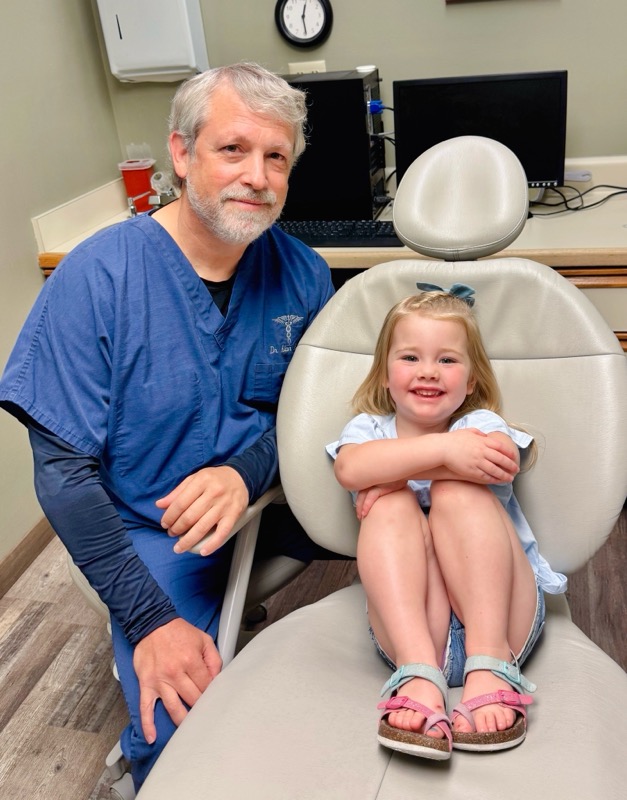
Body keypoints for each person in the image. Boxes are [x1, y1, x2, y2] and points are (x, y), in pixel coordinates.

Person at [0, 62, 339, 789]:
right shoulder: (98, 278)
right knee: (184, 737)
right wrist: (150, 621)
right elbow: (61, 475)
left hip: (277, 499)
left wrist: (242, 474)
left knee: (421, 516)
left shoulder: (303, 275)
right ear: (182, 155)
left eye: (275, 156)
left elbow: (313, 419)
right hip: (156, 528)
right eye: (233, 150)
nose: (256, 175)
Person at [326, 284, 566, 761]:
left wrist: (397, 472)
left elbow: (493, 463)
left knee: (455, 490)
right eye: (410, 358)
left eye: (448, 360)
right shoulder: (367, 431)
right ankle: (418, 673)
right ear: (385, 375)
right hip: (411, 628)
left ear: (473, 379)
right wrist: (441, 452)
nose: (429, 372)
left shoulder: (481, 426)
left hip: (499, 621)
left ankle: (490, 666)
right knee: (389, 506)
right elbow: (349, 470)